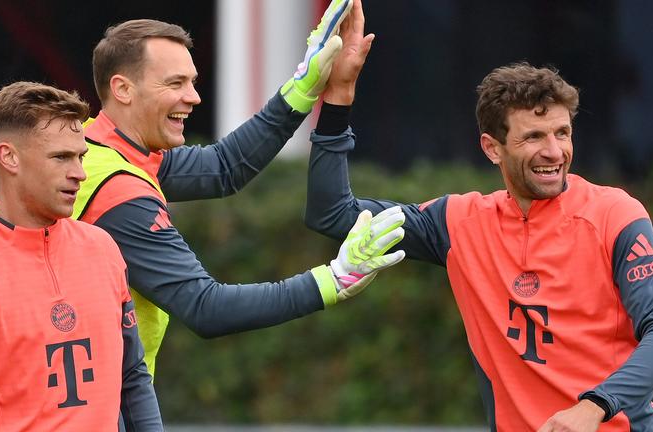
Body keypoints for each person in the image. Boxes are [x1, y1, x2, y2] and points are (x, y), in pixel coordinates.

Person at [305, 3, 653, 429]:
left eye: (563, 133)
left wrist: (592, 406)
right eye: (534, 137)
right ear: (492, 148)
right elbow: (333, 214)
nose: (554, 152)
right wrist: (338, 96)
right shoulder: (457, 223)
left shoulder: (615, 214)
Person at [72, 0, 406, 377]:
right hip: (99, 403)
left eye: (192, 82)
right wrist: (334, 279)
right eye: (175, 83)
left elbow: (224, 168)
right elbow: (206, 307)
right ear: (122, 89)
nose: (194, 97)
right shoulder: (121, 193)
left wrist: (303, 87)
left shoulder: (93, 148)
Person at [0, 82, 162, 430]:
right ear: (8, 156)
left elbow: (132, 379)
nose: (80, 173)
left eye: (81, 156)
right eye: (61, 157)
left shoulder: (103, 248)